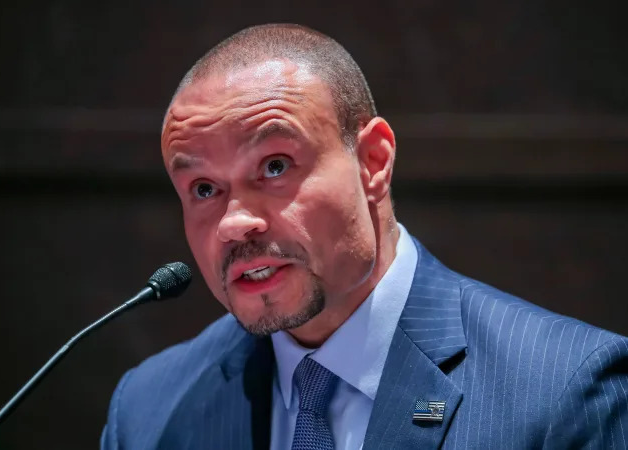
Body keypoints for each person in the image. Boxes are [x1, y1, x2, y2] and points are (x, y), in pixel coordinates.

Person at [101, 24, 628, 449]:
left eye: (275, 165)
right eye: (204, 188)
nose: (236, 222)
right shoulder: (148, 413)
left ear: (373, 161)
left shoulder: (565, 391)